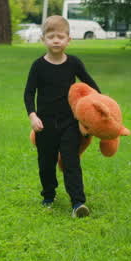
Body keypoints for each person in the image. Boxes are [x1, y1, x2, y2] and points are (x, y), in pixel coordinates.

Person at [24, 15, 101, 217]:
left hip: (70, 123)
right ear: (43, 40)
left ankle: (78, 203)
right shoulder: (38, 66)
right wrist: (32, 115)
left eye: (60, 36)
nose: (56, 40)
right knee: (46, 163)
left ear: (68, 40)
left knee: (70, 161)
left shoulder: (74, 63)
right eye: (51, 36)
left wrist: (95, 112)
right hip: (45, 124)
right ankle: (48, 195)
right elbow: (29, 93)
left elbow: (92, 87)